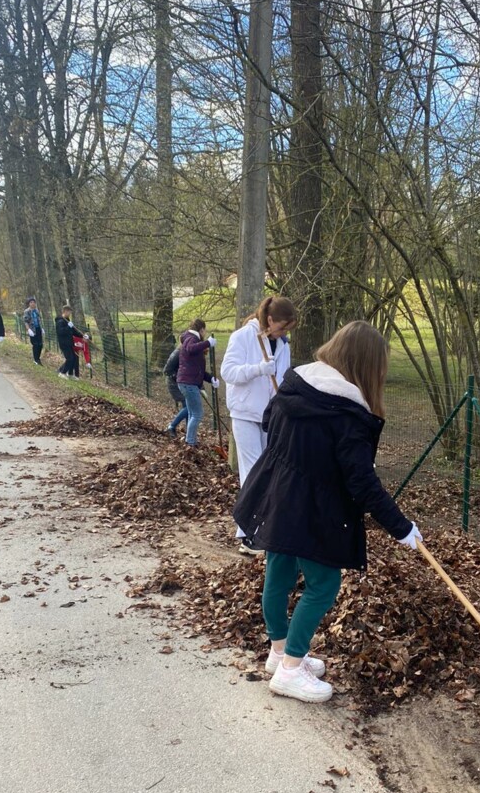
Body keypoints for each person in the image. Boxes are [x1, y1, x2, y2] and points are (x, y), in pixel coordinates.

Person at [233, 320, 423, 705]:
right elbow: (362, 482)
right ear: (367, 365)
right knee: (324, 584)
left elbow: (269, 422)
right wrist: (401, 527)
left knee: (279, 571)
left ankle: (279, 653)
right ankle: (290, 670)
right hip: (311, 508)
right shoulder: (347, 412)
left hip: (275, 494)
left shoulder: (294, 384)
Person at [221, 295, 296, 555]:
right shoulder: (243, 336)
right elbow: (228, 372)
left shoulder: (283, 345)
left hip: (270, 415)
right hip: (244, 413)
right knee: (253, 471)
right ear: (270, 319)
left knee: (268, 471)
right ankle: (248, 534)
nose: (284, 333)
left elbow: (283, 377)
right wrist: (258, 369)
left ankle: (259, 530)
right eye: (282, 327)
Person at [176, 318, 218, 447]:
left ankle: (190, 440)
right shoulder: (191, 339)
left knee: (192, 413)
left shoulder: (190, 339)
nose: (205, 333)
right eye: (205, 330)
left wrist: (211, 379)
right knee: (197, 414)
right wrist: (207, 343)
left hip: (187, 382)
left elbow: (198, 369)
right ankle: (190, 442)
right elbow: (191, 348)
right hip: (189, 383)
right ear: (201, 329)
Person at [162, 337, 188, 436]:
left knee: (187, 406)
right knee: (189, 407)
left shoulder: (186, 353)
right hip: (174, 383)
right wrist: (179, 378)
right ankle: (172, 426)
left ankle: (189, 433)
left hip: (182, 383)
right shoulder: (177, 353)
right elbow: (166, 370)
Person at [55, 306, 79, 379]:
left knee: (74, 358)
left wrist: (82, 336)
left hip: (69, 343)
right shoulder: (60, 321)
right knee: (70, 358)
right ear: (65, 311)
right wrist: (68, 327)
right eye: (69, 312)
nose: (70, 314)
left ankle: (70, 374)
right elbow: (60, 332)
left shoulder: (67, 320)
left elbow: (73, 332)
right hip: (64, 343)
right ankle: (62, 372)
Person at [23, 296, 44, 364]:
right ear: (29, 304)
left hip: (38, 328)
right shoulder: (27, 311)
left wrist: (42, 328)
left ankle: (38, 358)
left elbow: (39, 319)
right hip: (32, 330)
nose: (33, 303)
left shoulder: (37, 311)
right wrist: (28, 329)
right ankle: (35, 359)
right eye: (31, 302)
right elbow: (26, 321)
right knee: (35, 344)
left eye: (34, 302)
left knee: (40, 344)